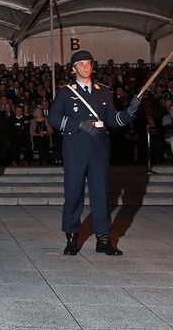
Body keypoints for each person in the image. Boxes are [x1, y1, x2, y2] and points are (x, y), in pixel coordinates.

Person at [48, 50, 141, 256]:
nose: (85, 66)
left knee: (100, 195)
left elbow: (113, 121)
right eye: (80, 64)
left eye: (88, 63)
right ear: (73, 69)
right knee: (74, 194)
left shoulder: (104, 91)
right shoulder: (66, 92)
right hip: (75, 150)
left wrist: (130, 112)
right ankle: (72, 237)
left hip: (99, 151)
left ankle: (103, 239)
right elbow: (53, 118)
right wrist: (79, 125)